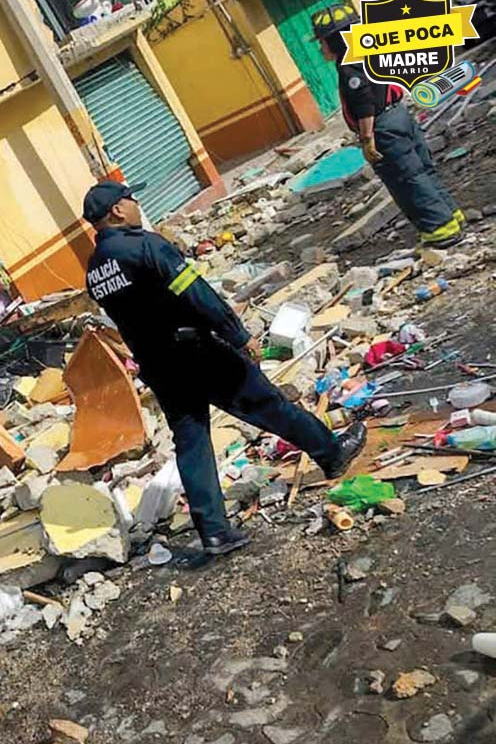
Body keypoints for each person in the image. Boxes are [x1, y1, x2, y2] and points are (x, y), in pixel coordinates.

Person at [82, 181, 367, 556]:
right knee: (268, 405)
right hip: (196, 351)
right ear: (118, 210)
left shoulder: (95, 269)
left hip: (157, 364)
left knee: (192, 442)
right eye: (130, 198)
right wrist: (236, 333)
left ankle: (214, 532)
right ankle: (331, 454)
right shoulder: (147, 245)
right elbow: (196, 292)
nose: (136, 203)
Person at [312, 4, 464, 247]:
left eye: (322, 42)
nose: (321, 49)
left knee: (407, 179)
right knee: (422, 171)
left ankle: (441, 230)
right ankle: (451, 216)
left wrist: (367, 140)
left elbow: (364, 103)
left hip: (384, 127)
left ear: (335, 40)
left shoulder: (348, 65)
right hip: (401, 115)